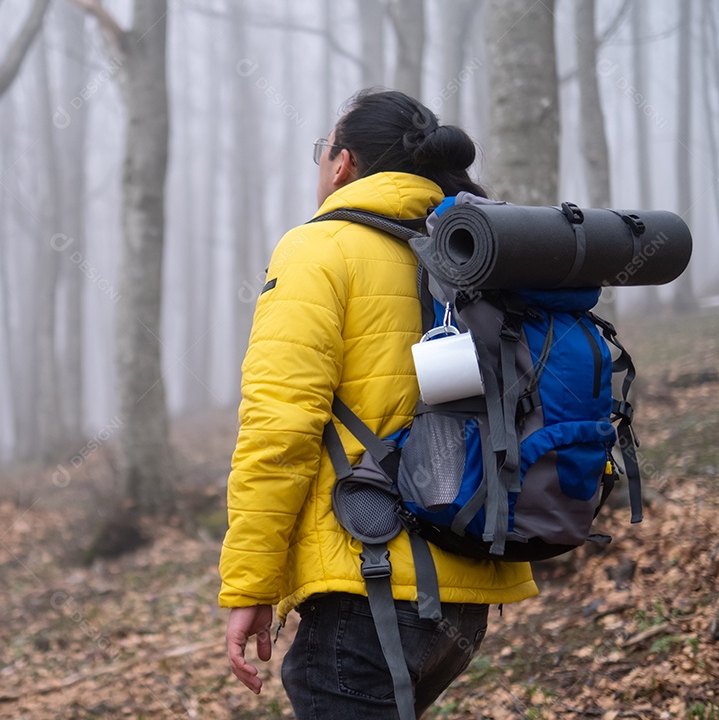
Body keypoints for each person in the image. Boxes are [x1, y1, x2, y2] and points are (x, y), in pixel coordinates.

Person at [219, 89, 539, 719]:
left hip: (367, 585)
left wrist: (250, 583)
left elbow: (279, 431)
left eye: (323, 151)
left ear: (342, 163)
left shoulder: (317, 250)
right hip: (461, 595)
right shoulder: (470, 251)